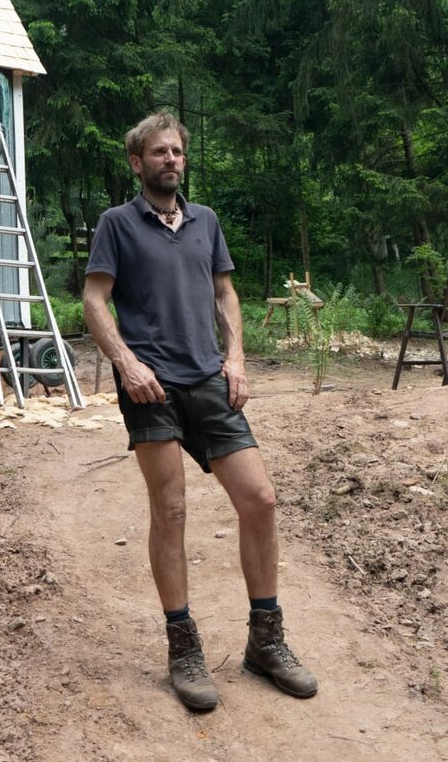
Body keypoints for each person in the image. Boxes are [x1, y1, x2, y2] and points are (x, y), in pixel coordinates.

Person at [82, 112, 317, 712]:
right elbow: (94, 299)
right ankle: (184, 648)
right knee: (172, 508)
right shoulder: (116, 224)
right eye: (159, 152)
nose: (170, 160)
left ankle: (265, 641)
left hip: (209, 378)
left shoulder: (205, 221)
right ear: (137, 162)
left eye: (177, 152)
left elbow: (224, 292)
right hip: (151, 386)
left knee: (259, 499)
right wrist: (126, 364)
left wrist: (236, 358)